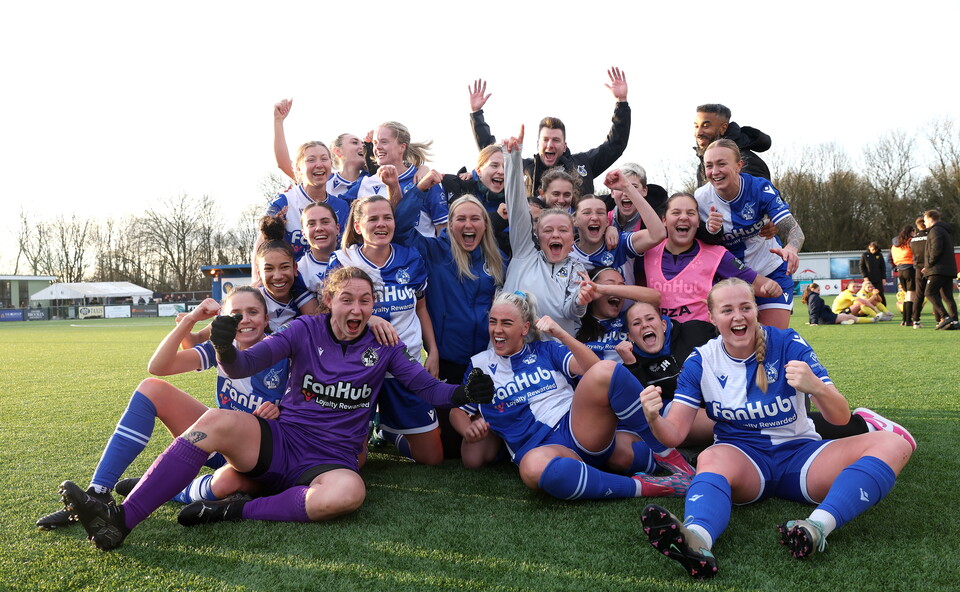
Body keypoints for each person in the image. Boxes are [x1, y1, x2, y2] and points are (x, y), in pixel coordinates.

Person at [59, 267, 495, 551]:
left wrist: (463, 393)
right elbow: (246, 363)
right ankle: (120, 520)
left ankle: (233, 509)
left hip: (331, 459)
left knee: (349, 494)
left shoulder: (382, 346)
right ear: (330, 301)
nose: (357, 308)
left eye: (366, 301)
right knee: (214, 421)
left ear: (374, 306)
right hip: (281, 439)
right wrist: (226, 348)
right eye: (348, 299)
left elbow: (428, 388)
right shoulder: (304, 329)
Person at [638, 278, 913, 579]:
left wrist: (817, 388)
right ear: (713, 318)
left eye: (745, 307)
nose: (738, 316)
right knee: (711, 457)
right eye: (727, 310)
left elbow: (839, 417)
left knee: (894, 444)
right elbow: (674, 434)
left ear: (756, 310)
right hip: (743, 462)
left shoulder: (788, 343)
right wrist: (654, 418)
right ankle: (697, 542)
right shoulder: (701, 361)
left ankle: (817, 526)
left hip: (800, 457)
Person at [38, 288, 287, 530]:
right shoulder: (220, 349)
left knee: (226, 482)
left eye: (253, 312)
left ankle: (170, 489)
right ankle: (99, 492)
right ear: (223, 319)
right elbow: (158, 366)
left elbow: (305, 414)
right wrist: (189, 320)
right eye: (236, 313)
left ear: (266, 319)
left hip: (257, 455)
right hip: (221, 442)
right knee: (152, 389)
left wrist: (279, 412)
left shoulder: (283, 352)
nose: (244, 320)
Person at [451, 291, 695, 498]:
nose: (497, 330)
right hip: (540, 449)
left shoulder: (545, 349)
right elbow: (459, 410)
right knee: (533, 468)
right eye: (493, 321)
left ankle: (669, 456)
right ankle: (646, 486)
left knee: (606, 371)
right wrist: (466, 429)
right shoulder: (479, 365)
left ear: (525, 328)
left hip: (577, 428)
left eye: (506, 323)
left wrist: (561, 334)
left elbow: (593, 369)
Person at [391, 185, 507, 457]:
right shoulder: (435, 251)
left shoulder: (498, 259)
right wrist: (420, 190)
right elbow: (401, 231)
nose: (468, 225)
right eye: (461, 219)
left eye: (475, 218)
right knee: (449, 448)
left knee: (484, 438)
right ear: (450, 225)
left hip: (486, 361)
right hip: (448, 361)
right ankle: (390, 432)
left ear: (485, 225)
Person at [327, 195, 443, 464]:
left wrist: (433, 350)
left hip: (406, 363)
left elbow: (421, 308)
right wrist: (370, 319)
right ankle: (368, 430)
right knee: (354, 462)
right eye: (373, 218)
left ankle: (391, 432)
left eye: (387, 217)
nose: (382, 224)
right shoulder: (342, 261)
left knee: (432, 458)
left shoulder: (410, 258)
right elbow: (330, 313)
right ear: (358, 227)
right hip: (357, 369)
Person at [468, 68, 630, 196]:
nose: (550, 144)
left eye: (556, 140)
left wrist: (621, 103)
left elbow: (615, 145)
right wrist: (477, 115)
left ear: (565, 146)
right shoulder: (524, 168)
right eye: (545, 140)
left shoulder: (583, 163)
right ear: (538, 144)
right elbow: (491, 152)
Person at [642, 192, 781, 323]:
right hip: (659, 340)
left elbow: (760, 285)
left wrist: (771, 287)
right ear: (664, 220)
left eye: (690, 213)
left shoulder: (716, 255)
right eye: (676, 213)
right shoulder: (647, 251)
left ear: (698, 221)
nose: (683, 217)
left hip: (701, 340)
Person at [501, 129, 588, 336]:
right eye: (548, 230)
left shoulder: (577, 267)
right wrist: (513, 157)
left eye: (563, 230)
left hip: (555, 358)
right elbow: (517, 206)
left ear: (572, 236)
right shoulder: (524, 253)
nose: (556, 235)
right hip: (512, 353)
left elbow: (570, 311)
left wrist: (581, 300)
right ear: (538, 235)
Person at [571, 175, 665, 287]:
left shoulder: (621, 243)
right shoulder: (567, 253)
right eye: (587, 213)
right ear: (574, 220)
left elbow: (658, 234)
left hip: (630, 305)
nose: (595, 217)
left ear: (607, 221)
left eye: (600, 213)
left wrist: (628, 188)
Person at [358, 121, 448, 237]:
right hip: (383, 253)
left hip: (420, 253)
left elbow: (442, 228)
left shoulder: (425, 180)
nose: (377, 147)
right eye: (375, 143)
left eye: (384, 142)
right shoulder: (366, 183)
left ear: (402, 147)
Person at [272, 98, 372, 201]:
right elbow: (283, 164)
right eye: (354, 142)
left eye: (363, 144)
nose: (362, 146)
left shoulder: (372, 180)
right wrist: (278, 121)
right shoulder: (321, 178)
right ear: (337, 151)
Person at [265, 141, 351, 258]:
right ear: (298, 168)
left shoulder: (342, 207)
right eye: (311, 160)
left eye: (324, 159)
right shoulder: (284, 202)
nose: (319, 164)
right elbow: (263, 244)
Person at [575, 267, 660, 361]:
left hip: (625, 373)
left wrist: (603, 289)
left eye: (621, 287)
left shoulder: (629, 320)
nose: (616, 291)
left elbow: (655, 298)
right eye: (609, 284)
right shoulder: (575, 320)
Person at [693, 103, 771, 186]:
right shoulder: (702, 166)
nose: (698, 133)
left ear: (723, 128)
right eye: (696, 126)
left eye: (706, 126)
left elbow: (761, 197)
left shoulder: (746, 161)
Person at [440, 144, 505, 214]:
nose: (501, 171)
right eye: (494, 165)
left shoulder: (515, 197)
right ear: (479, 171)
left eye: (506, 167)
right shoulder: (458, 189)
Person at [922, 209, 959, 330]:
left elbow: (936, 250)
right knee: (947, 296)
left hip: (938, 269)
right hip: (948, 269)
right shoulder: (945, 230)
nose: (924, 222)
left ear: (931, 218)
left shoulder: (935, 230)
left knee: (929, 292)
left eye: (925, 220)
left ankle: (945, 316)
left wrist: (929, 265)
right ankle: (954, 321)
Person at [296, 202, 340, 297]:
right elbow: (312, 311)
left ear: (337, 228)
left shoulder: (354, 257)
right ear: (303, 234)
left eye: (325, 222)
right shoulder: (299, 270)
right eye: (311, 224)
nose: (319, 228)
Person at [802, 283, 870, 325]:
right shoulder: (814, 297)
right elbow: (814, 310)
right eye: (818, 290)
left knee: (844, 316)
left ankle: (843, 322)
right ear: (813, 289)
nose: (819, 292)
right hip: (827, 319)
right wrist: (813, 322)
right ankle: (873, 319)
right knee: (852, 317)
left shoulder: (810, 297)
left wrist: (811, 321)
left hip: (826, 318)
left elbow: (811, 311)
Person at [890, 225, 916, 326]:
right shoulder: (911, 242)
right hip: (910, 268)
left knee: (906, 295)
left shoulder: (895, 244)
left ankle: (904, 320)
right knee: (911, 295)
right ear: (912, 232)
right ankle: (908, 320)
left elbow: (891, 257)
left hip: (900, 269)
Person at [909, 216, 930, 327]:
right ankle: (939, 319)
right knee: (935, 293)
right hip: (930, 267)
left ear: (917, 226)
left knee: (919, 294)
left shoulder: (913, 240)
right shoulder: (931, 237)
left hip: (918, 269)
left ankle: (916, 320)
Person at [860, 241, 887, 307]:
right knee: (867, 294)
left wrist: (883, 278)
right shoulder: (864, 255)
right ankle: (864, 310)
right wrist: (865, 276)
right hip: (868, 279)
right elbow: (861, 266)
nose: (874, 251)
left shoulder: (879, 255)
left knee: (880, 294)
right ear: (869, 247)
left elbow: (883, 267)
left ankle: (885, 310)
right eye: (872, 249)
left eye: (875, 249)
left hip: (878, 278)